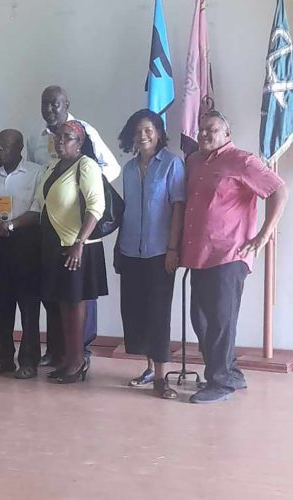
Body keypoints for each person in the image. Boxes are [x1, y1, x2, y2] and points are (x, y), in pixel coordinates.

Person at [180, 110, 288, 404]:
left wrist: (263, 236)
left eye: (212, 130)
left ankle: (219, 382)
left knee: (220, 321)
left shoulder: (242, 161)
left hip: (228, 254)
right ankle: (230, 371)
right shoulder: (193, 162)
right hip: (197, 254)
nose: (204, 134)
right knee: (200, 319)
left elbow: (278, 190)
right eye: (202, 129)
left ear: (227, 134)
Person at [26, 85, 120, 371]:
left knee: (78, 299)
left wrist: (82, 183)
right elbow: (37, 183)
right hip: (51, 236)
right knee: (57, 298)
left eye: (55, 104)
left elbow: (112, 169)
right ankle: (59, 352)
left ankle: (80, 354)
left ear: (66, 103)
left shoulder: (85, 134)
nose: (50, 109)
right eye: (45, 104)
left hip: (79, 237)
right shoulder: (36, 141)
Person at [116, 109, 185, 399]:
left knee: (158, 314)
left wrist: (173, 248)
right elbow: (126, 211)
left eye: (148, 130)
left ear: (158, 133)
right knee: (136, 313)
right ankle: (147, 368)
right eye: (138, 131)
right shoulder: (129, 169)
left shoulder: (172, 164)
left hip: (160, 253)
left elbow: (178, 208)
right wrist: (118, 247)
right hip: (130, 250)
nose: (143, 135)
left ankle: (160, 378)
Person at [36, 121, 107, 384]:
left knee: (75, 304)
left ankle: (77, 363)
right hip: (55, 245)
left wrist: (79, 242)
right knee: (63, 304)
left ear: (79, 142)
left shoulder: (86, 165)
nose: (61, 141)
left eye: (68, 138)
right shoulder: (53, 167)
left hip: (78, 247)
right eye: (58, 137)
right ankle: (68, 358)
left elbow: (95, 207)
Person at [0, 129, 43, 379]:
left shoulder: (35, 173)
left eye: (4, 146)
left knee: (28, 307)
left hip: (26, 243)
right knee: (0, 304)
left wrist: (12, 225)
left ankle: (29, 360)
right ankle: (3, 357)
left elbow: (38, 209)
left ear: (19, 149)